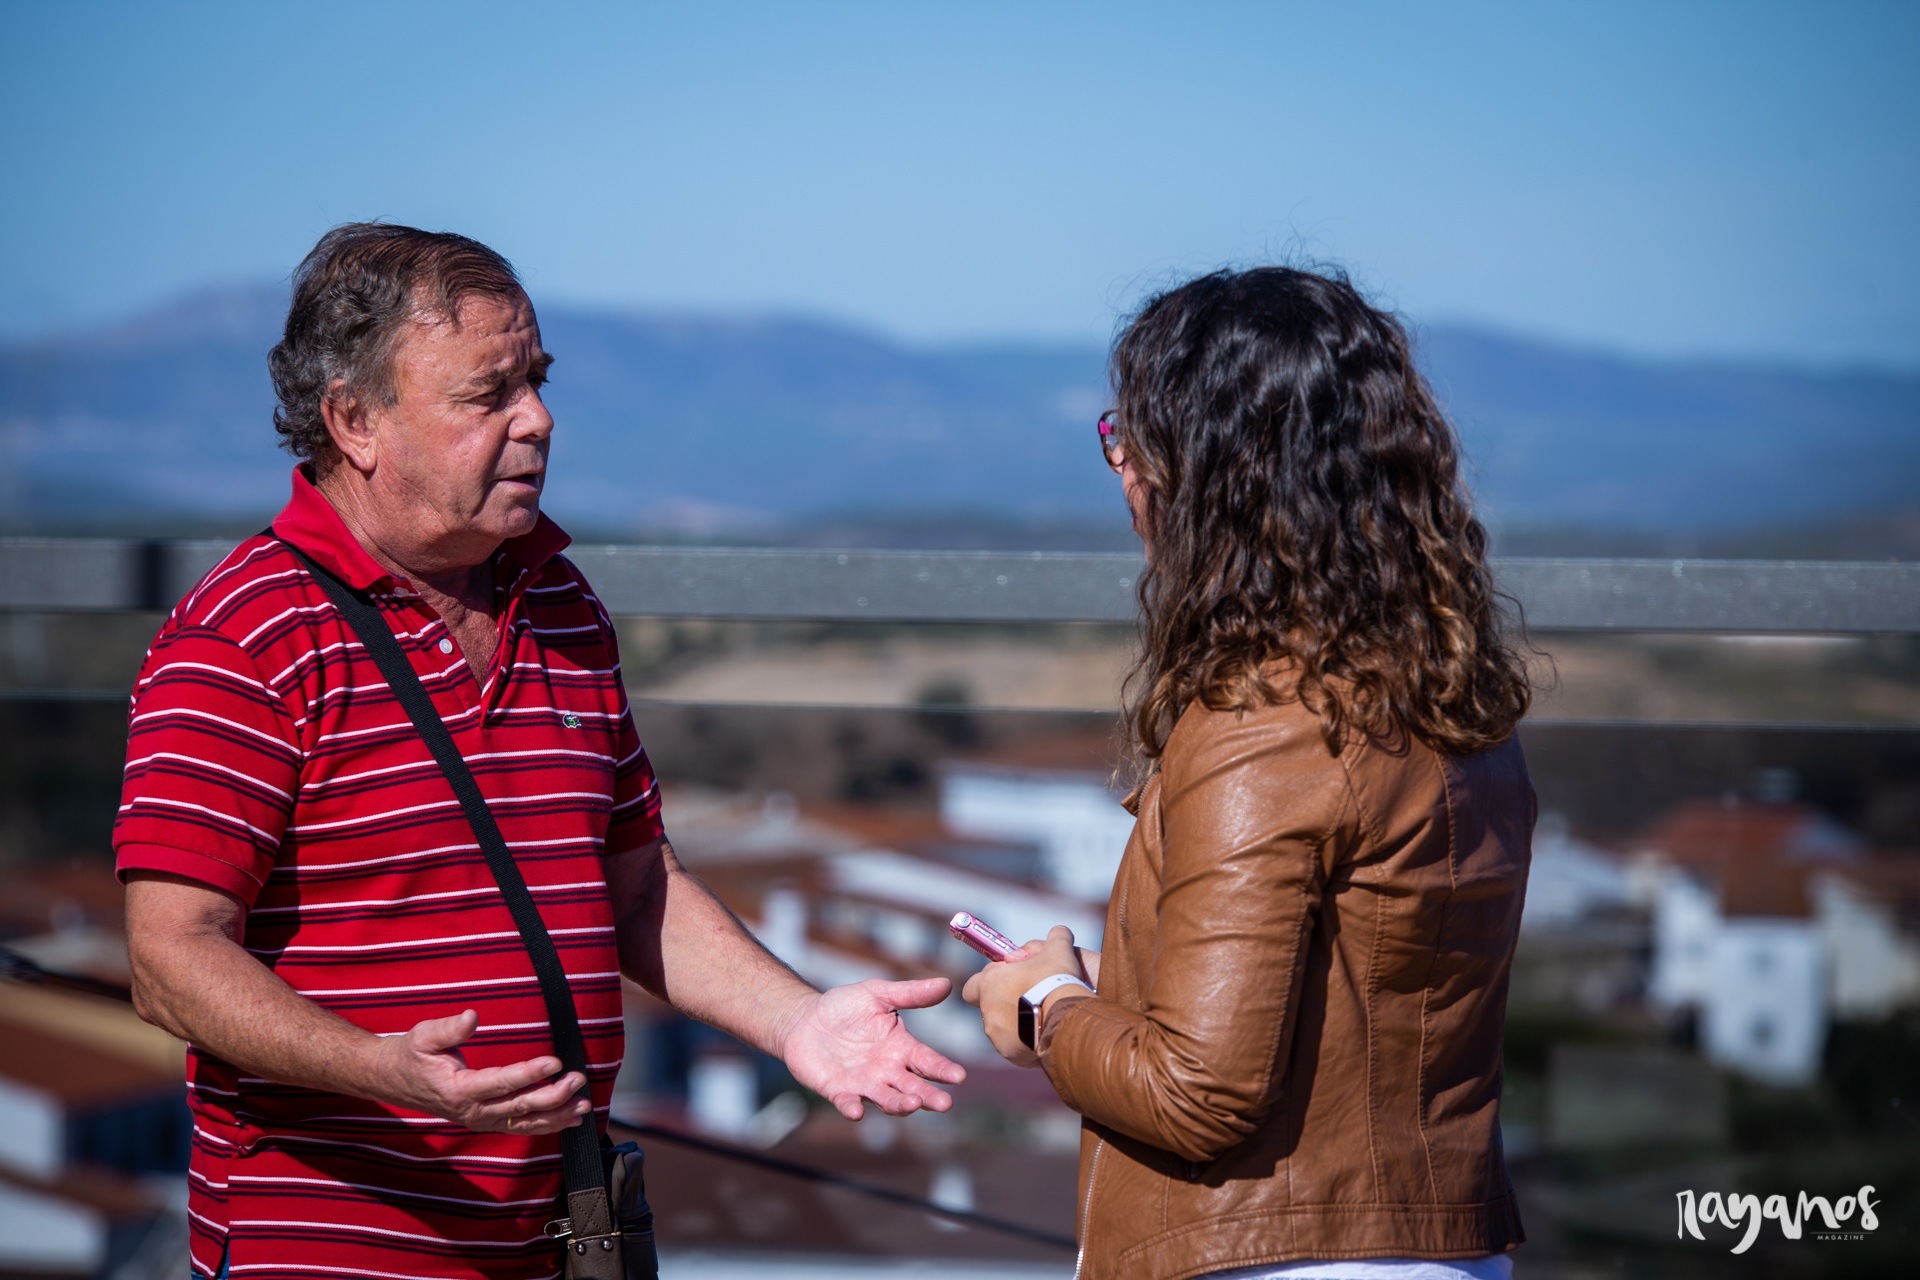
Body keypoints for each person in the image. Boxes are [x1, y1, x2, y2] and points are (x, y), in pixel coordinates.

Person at [117, 223, 965, 1279]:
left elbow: (636, 883)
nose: (539, 419)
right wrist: (381, 1069)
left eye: (537, 380)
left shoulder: (560, 601)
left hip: (550, 1242)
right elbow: (170, 959)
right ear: (355, 421)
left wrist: (799, 1021)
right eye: (489, 394)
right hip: (332, 1250)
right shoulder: (245, 633)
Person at [964, 267, 1536, 1280]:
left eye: (1133, 440)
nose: (1121, 470)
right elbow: (1351, 1003)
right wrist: (1109, 991)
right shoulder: (1456, 698)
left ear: (1211, 476)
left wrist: (1043, 1005)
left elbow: (1199, 1091)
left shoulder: (1264, 724)